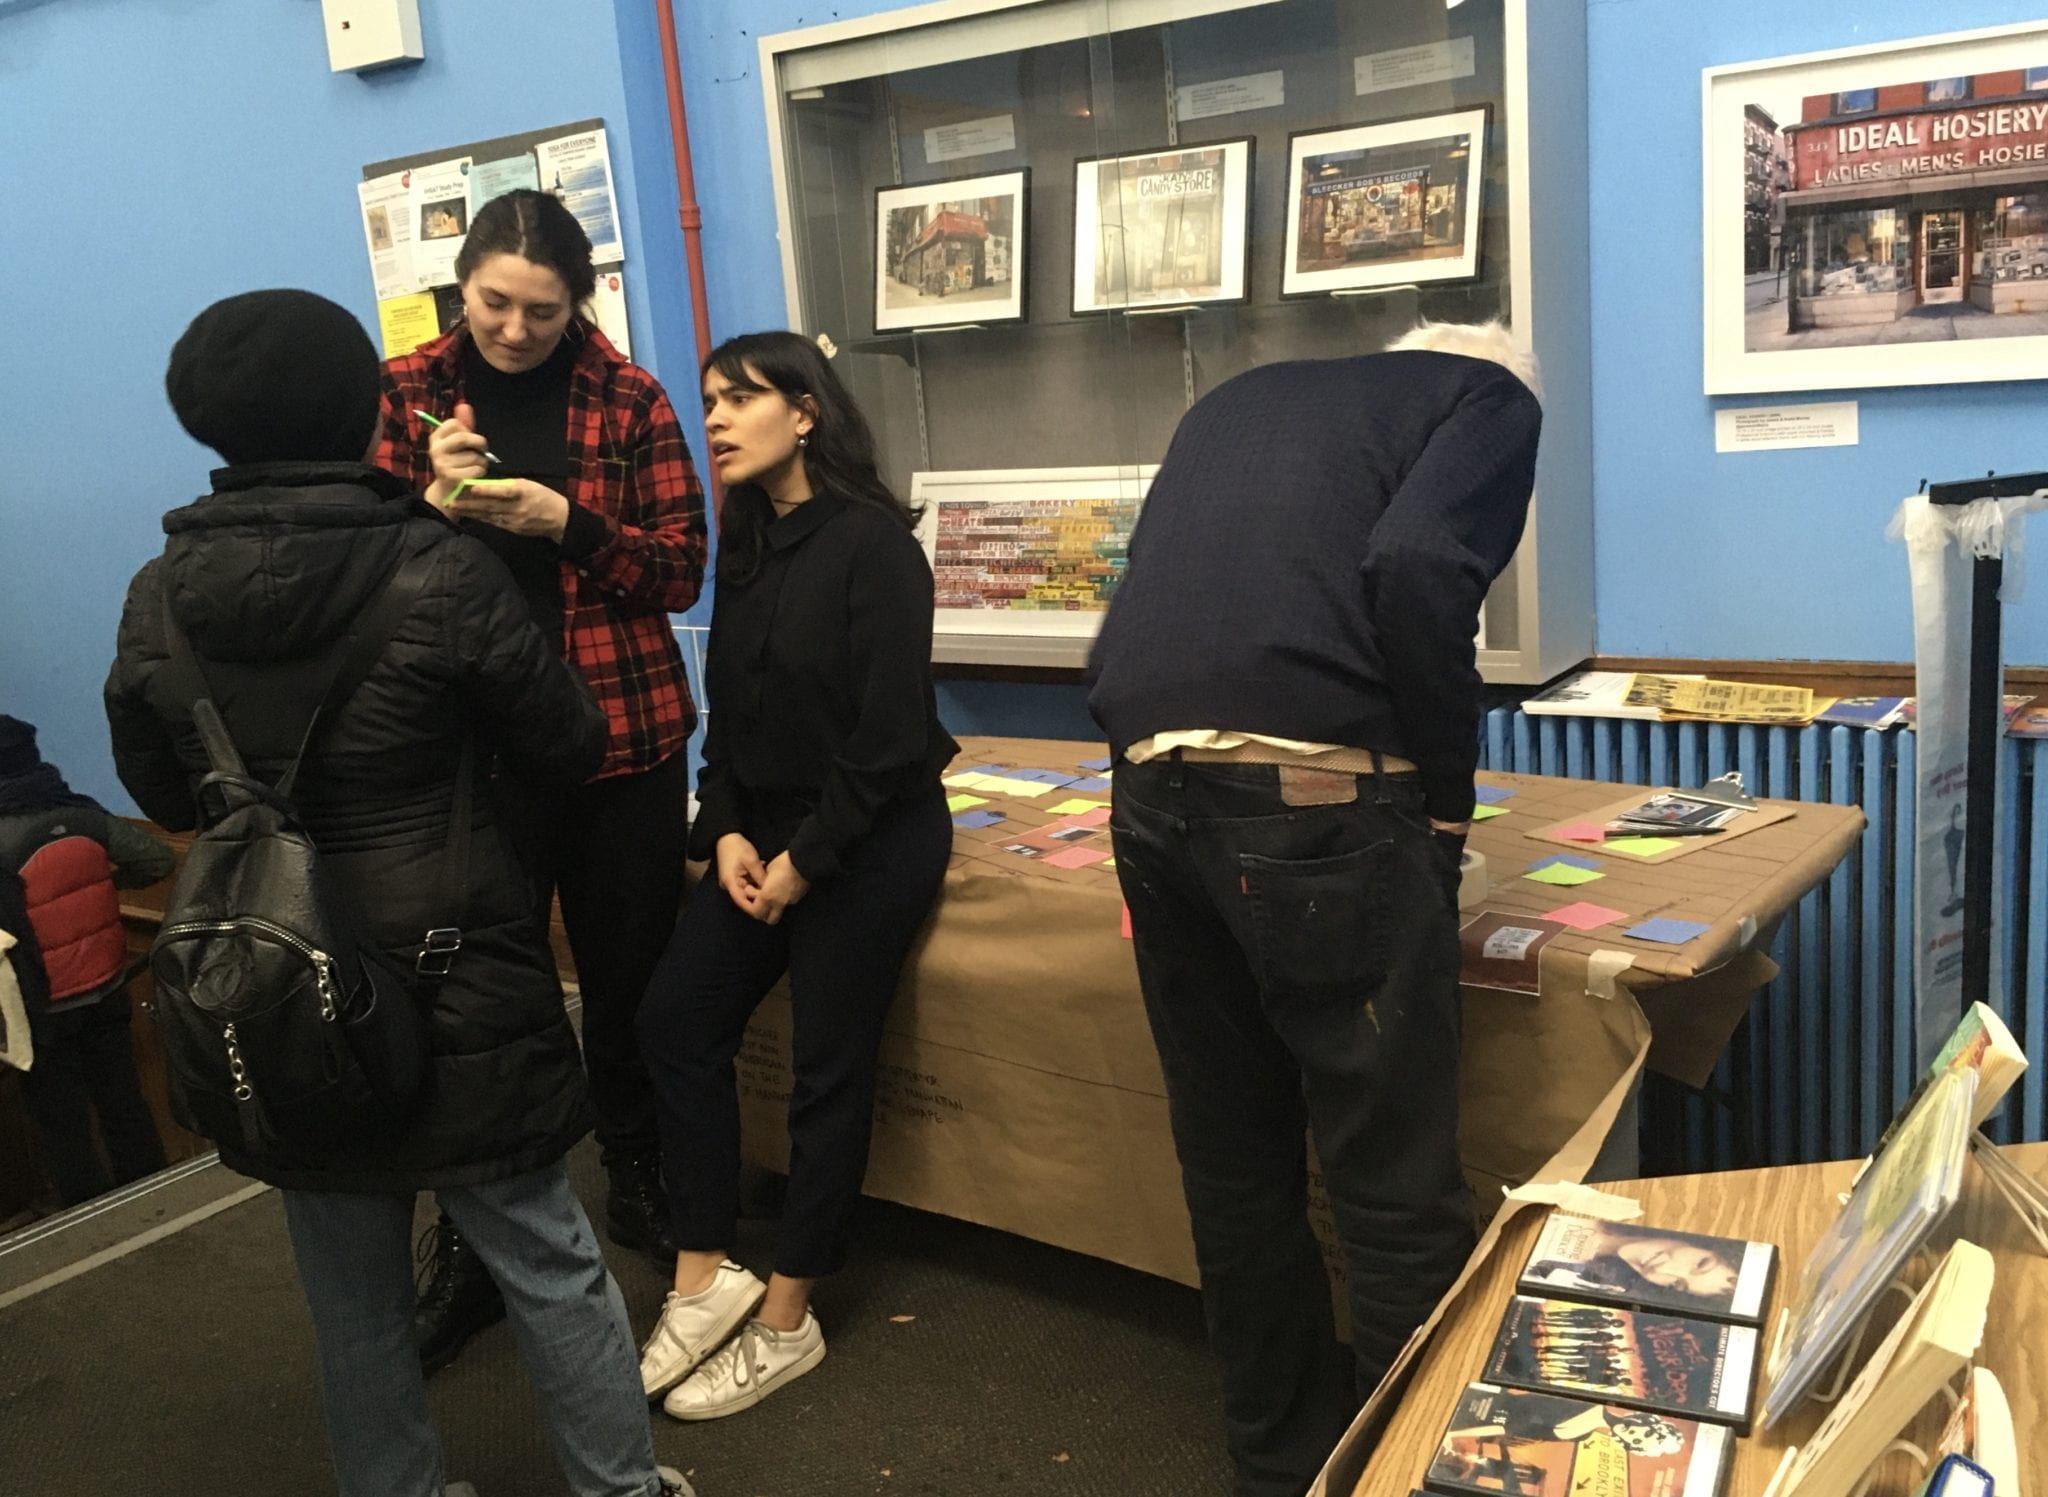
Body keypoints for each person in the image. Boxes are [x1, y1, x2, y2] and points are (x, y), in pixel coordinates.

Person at [104, 288, 689, 1497]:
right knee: (545, 1257)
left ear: (204, 423)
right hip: (455, 966)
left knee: (349, 1288)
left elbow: (158, 788)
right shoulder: (438, 566)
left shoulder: (161, 591)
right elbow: (571, 743)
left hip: (276, 974)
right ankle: (620, 1490)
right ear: (370, 406)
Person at [1086, 320, 1543, 1497]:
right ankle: (1393, 1474)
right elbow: (1416, 566)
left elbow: (1141, 592)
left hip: (1148, 787)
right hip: (1316, 809)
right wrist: (1442, 797)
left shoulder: (1242, 400)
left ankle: (1279, 1469)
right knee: (1391, 1189)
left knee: (1233, 1167)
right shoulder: (1488, 399)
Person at [375, 188, 708, 1371]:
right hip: (469, 754)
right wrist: (426, 499)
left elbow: (680, 572)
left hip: (620, 741)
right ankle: (476, 1241)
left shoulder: (627, 397)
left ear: (583, 303)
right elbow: (359, 562)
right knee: (477, 1009)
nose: (515, 331)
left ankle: (637, 1175)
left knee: (628, 980)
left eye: (542, 310)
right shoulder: (404, 391)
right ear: (458, 288)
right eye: (493, 305)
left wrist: (565, 519)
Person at [633, 331, 957, 1421]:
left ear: (805, 411)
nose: (714, 418)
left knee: (828, 1062)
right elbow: (733, 717)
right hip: (760, 836)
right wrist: (721, 828)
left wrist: (805, 864)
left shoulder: (874, 546)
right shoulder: (752, 541)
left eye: (741, 399)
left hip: (867, 837)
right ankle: (702, 1273)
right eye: (709, 400)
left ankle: (786, 1319)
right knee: (674, 1021)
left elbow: (885, 737)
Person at [0, 714, 173, 1205]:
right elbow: (157, 860)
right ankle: (152, 1193)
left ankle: (87, 1217)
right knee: (124, 1101)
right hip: (108, 985)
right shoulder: (84, 814)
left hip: (41, 1007)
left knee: (61, 1121)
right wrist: (101, 887)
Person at [1524, 1220, 1743, 1312]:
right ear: (1700, 1242)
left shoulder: (1576, 1279)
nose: (1663, 1271)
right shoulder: (1600, 1215)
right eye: (1700, 1263)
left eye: (1677, 1284)